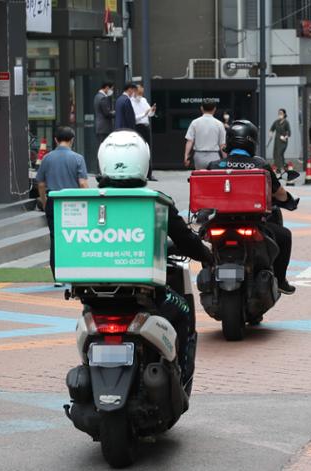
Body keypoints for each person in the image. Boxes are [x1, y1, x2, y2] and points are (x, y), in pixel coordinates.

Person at [97, 129, 212, 387]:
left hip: (96, 297)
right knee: (182, 312)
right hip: (148, 294)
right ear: (143, 162)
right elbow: (185, 240)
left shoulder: (90, 201)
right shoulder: (156, 202)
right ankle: (181, 375)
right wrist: (207, 255)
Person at [208, 120, 297, 295]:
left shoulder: (214, 166)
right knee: (285, 236)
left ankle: (210, 274)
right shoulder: (260, 165)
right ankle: (280, 280)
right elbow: (279, 194)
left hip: (219, 223)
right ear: (251, 141)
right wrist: (288, 199)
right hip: (252, 223)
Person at [35, 126, 89, 280]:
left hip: (53, 200)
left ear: (55, 140)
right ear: (72, 140)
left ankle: (57, 276)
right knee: (76, 237)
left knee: (55, 238)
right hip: (74, 204)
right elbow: (83, 184)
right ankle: (76, 273)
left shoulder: (47, 158)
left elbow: (40, 184)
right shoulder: (78, 158)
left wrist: (45, 202)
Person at [184, 99, 226, 169]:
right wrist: (225, 159)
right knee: (213, 178)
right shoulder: (219, 124)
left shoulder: (195, 122)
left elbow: (190, 141)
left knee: (200, 177)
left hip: (199, 156)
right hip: (214, 155)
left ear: (201, 108)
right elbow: (222, 144)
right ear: (214, 109)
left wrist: (186, 156)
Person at [131, 84, 157, 181]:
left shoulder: (144, 100)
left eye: (142, 93)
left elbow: (149, 113)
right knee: (138, 150)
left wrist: (152, 111)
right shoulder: (131, 102)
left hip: (146, 127)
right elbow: (134, 118)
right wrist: (144, 114)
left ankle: (149, 173)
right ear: (134, 92)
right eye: (139, 93)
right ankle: (139, 173)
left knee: (148, 150)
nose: (141, 95)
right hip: (138, 127)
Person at [269, 108, 291, 174]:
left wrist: (285, 137)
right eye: (279, 113)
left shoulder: (286, 122)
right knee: (276, 154)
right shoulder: (276, 122)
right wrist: (270, 134)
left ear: (284, 114)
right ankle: (284, 166)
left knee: (279, 154)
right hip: (277, 141)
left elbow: (289, 132)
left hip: (283, 141)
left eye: (281, 113)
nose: (280, 115)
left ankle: (279, 169)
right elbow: (271, 129)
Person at [93, 81, 115, 147]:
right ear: (107, 88)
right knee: (104, 147)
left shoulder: (97, 96)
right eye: (111, 89)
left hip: (100, 127)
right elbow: (107, 113)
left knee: (101, 146)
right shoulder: (103, 98)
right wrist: (115, 113)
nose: (111, 91)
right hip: (104, 127)